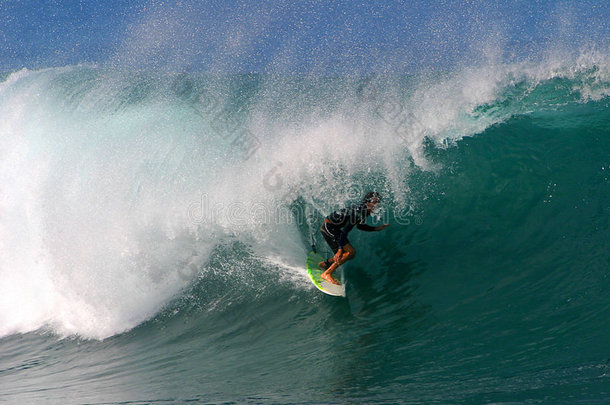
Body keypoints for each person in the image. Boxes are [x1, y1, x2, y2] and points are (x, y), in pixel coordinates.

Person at [318, 191, 389, 285]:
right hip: (329, 227)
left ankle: (325, 264)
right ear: (368, 202)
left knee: (350, 255)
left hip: (335, 228)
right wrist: (340, 249)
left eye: (378, 202)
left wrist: (376, 229)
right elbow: (345, 231)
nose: (377, 204)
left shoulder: (364, 211)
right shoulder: (359, 212)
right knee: (350, 252)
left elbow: (360, 226)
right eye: (375, 202)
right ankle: (327, 273)